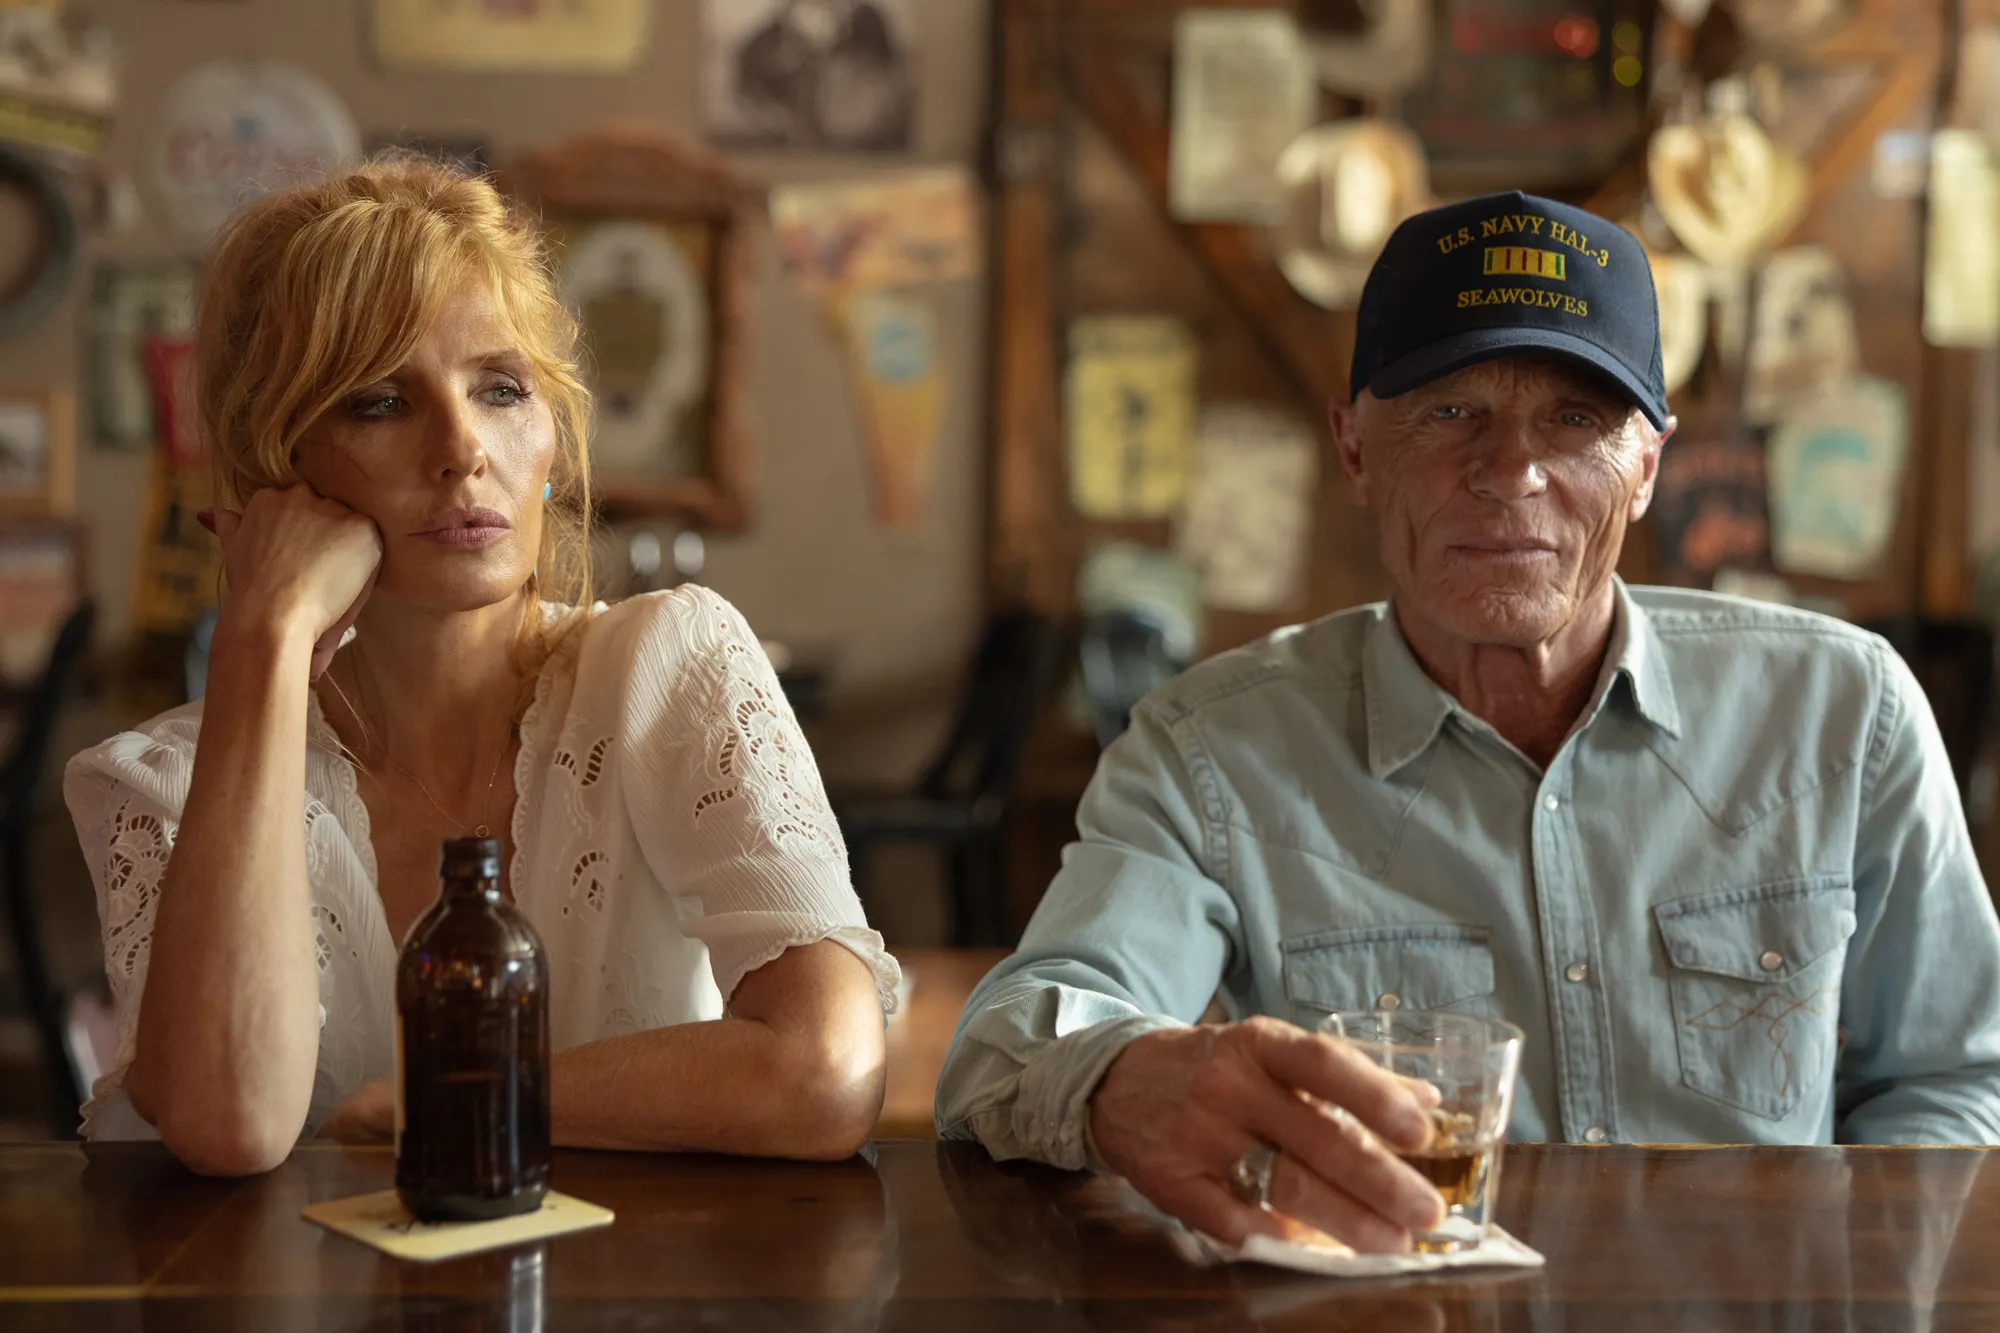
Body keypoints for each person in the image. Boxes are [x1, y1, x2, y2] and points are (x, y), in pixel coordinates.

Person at [936, 191, 2000, 1252]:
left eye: (1575, 419)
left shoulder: (1840, 709)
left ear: (1646, 465)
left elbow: (1959, 1074)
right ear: (1354, 448)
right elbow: (999, 1053)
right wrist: (1121, 1077)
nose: (1512, 473)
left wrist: (1851, 1278)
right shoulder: (1209, 753)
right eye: (1449, 413)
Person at [65, 157, 898, 1175]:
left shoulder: (668, 665)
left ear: (550, 437)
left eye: (501, 389)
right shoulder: (168, 781)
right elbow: (228, 1121)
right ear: (281, 469)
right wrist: (264, 637)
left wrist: (443, 1098)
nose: (463, 448)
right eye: (380, 402)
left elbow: (823, 1072)